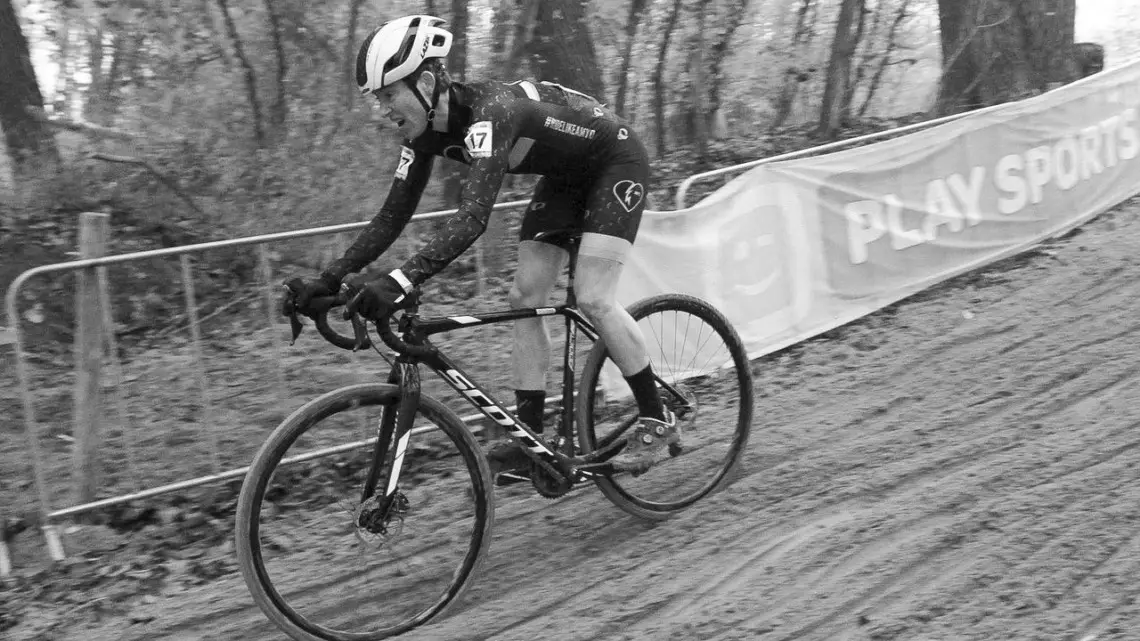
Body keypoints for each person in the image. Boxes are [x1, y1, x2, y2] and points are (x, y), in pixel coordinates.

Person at [283, 15, 676, 473]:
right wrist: (328, 279)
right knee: (525, 296)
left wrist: (400, 280)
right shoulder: (424, 135)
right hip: (567, 177)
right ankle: (532, 441)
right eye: (378, 100)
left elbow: (473, 218)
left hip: (615, 160)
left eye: (389, 95)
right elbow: (392, 216)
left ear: (426, 83)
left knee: (593, 296)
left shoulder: (493, 111)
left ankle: (656, 416)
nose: (384, 109)